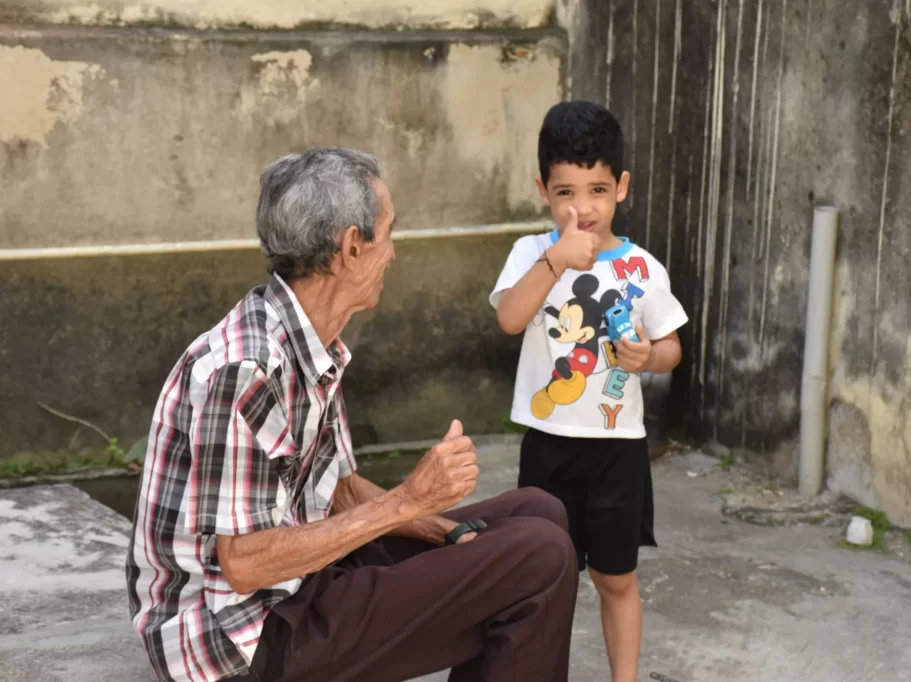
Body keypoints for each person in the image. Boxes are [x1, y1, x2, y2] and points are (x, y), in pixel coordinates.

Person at [125, 147, 579, 682]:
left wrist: (443, 531)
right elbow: (245, 564)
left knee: (538, 511)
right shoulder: (245, 369)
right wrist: (408, 500)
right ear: (351, 247)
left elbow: (337, 487)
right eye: (388, 234)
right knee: (538, 557)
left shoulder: (311, 340)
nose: (394, 253)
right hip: (240, 638)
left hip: (298, 581)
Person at [489, 101, 688, 682]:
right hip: (547, 444)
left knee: (616, 578)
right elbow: (510, 318)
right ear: (543, 192)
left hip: (618, 450)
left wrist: (649, 357)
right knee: (541, 580)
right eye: (566, 193)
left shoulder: (643, 269)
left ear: (621, 187)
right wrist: (556, 260)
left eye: (597, 190)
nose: (583, 209)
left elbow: (671, 347)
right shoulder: (532, 254)